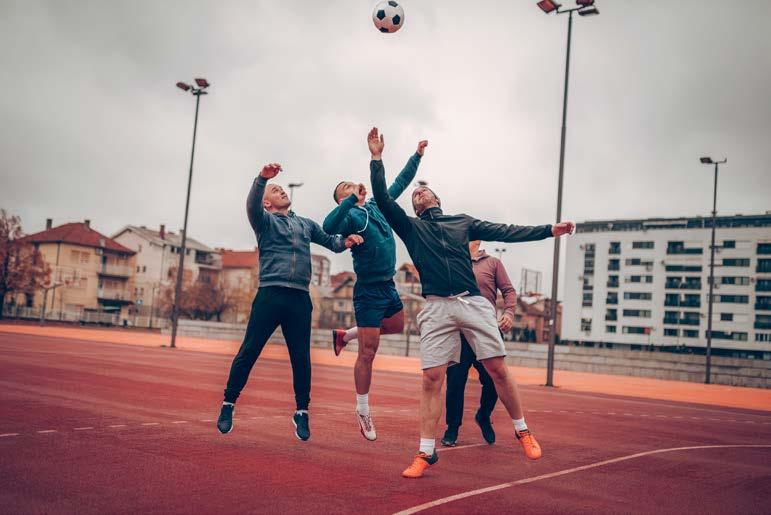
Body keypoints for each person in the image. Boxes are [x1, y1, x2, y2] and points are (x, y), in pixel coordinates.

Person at [367, 127, 575, 478]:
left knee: (496, 369)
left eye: (424, 192)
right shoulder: (411, 227)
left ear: (436, 199)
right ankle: (426, 451)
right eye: (415, 194)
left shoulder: (462, 222)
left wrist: (547, 230)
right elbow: (384, 201)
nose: (418, 195)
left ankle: (522, 429)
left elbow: (506, 230)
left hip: (473, 304)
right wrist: (377, 159)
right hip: (436, 306)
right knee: (432, 379)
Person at [216, 163, 363, 441]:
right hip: (270, 295)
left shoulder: (305, 224)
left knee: (301, 358)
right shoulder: (264, 221)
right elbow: (251, 204)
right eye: (275, 190)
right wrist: (262, 179)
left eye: (280, 187)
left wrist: (348, 241)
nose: (281, 189)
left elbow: (332, 241)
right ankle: (228, 404)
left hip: (299, 298)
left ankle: (302, 412)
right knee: (249, 351)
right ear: (268, 203)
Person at [323, 140, 427, 441]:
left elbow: (400, 182)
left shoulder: (376, 206)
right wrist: (348, 200)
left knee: (396, 325)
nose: (351, 186)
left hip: (388, 286)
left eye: (351, 184)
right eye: (344, 187)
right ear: (342, 198)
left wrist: (417, 155)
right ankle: (363, 409)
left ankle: (346, 335)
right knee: (369, 352)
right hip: (367, 291)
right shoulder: (348, 217)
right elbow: (328, 226)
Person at [440, 240, 516, 447]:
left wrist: (509, 313)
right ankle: (452, 427)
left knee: (494, 379)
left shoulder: (492, 263)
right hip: (459, 331)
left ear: (477, 240)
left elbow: (509, 291)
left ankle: (483, 415)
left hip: (486, 329)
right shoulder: (452, 262)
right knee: (455, 381)